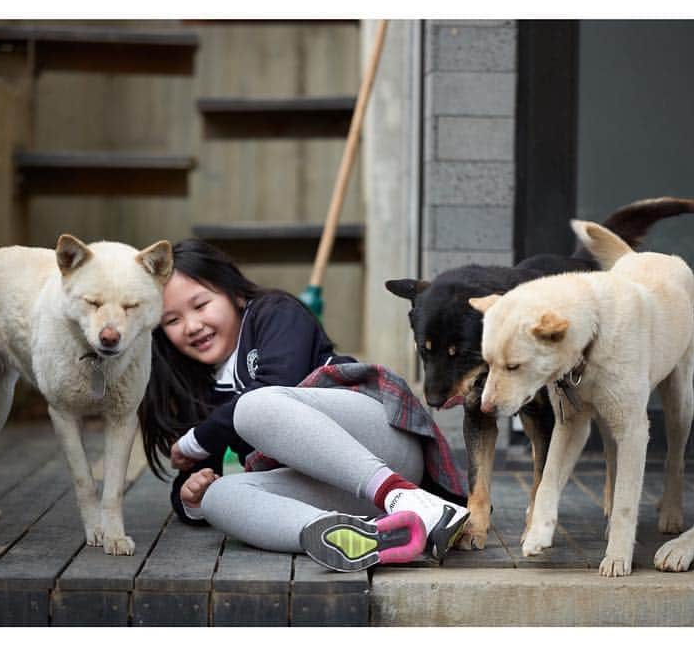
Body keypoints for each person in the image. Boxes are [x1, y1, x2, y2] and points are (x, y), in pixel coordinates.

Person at [138, 239, 469, 572]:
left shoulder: (273, 312)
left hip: (382, 447)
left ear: (233, 293)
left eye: (200, 305)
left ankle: (409, 498)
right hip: (340, 490)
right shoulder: (196, 386)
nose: (192, 326)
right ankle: (360, 534)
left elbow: (273, 387)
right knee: (218, 497)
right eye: (172, 321)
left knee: (254, 407)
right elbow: (194, 472)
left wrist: (196, 440)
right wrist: (191, 498)